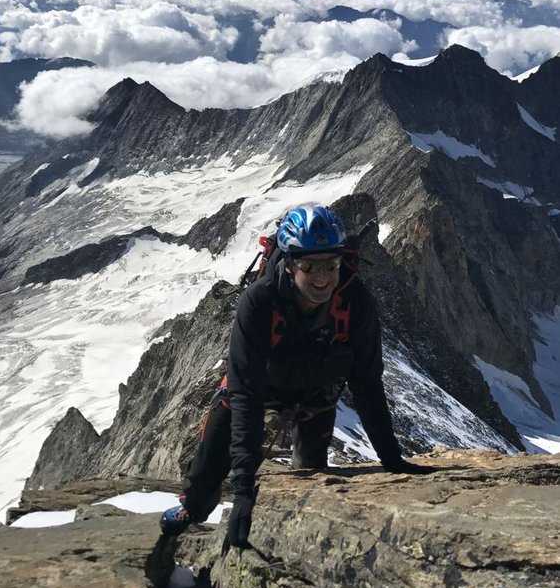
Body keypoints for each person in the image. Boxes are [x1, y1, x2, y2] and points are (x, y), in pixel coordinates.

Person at [161, 203, 433, 547]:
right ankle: (195, 505)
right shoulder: (259, 302)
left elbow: (366, 383)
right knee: (224, 419)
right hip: (265, 387)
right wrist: (244, 489)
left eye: (331, 265)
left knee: (310, 476)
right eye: (310, 266)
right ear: (289, 265)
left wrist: (391, 460)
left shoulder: (356, 302)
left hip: (319, 395)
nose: (323, 278)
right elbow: (245, 391)